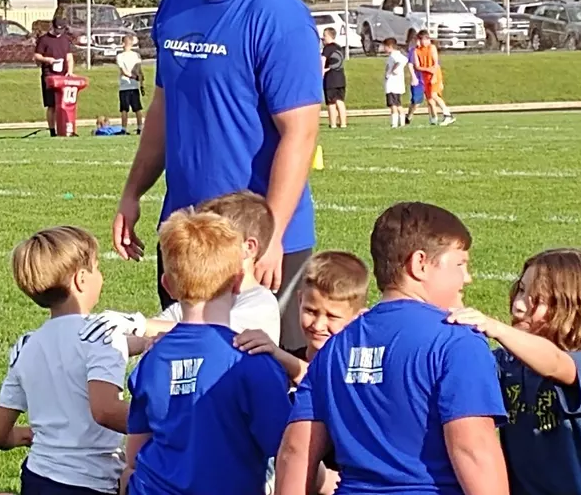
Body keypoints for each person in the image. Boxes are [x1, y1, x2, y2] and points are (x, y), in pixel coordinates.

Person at [112, 0, 322, 353]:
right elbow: (164, 109)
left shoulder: (278, 16)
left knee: (269, 381)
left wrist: (272, 235)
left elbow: (300, 134)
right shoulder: (174, 4)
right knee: (189, 371)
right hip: (187, 233)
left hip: (258, 243)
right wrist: (132, 193)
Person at [275, 202, 508, 495]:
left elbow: (295, 450)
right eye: (460, 264)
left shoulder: (335, 348)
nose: (467, 277)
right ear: (420, 263)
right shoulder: (456, 341)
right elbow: (474, 449)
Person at [124, 209, 291, 495]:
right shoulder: (250, 360)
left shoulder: (152, 357)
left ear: (168, 286)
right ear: (238, 281)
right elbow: (287, 449)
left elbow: (134, 453)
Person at [447, 249, 581, 495]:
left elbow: (553, 362)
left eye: (537, 299)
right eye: (521, 290)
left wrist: (496, 328)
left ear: (574, 308)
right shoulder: (505, 364)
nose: (519, 306)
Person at [0, 227, 128, 495]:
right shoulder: (104, 334)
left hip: (39, 477)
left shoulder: (27, 345)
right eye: (97, 268)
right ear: (81, 279)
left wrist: (23, 435)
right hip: (93, 482)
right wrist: (166, 423)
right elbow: (107, 411)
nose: (102, 276)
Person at [81, 190, 281, 349]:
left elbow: (214, 333)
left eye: (218, 238)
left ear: (249, 247)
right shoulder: (200, 298)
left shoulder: (260, 303)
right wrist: (103, 335)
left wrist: (136, 323)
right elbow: (159, 330)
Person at [234, 251, 369, 386]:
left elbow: (328, 386)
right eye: (311, 311)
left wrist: (279, 355)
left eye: (331, 316)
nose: (318, 325)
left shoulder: (361, 371)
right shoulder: (282, 362)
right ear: (300, 301)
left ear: (359, 318)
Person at [35, 17, 75, 137]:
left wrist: (70, 71)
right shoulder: (44, 40)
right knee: (51, 105)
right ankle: (52, 130)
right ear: (52, 27)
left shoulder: (65, 39)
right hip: (49, 76)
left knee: (64, 105)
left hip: (63, 76)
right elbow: (37, 56)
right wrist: (48, 60)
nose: (59, 32)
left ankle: (64, 129)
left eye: (61, 29)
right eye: (57, 29)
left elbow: (69, 57)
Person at [412, 31, 455, 126]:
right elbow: (417, 66)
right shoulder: (416, 51)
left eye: (424, 39)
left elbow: (435, 64)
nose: (423, 42)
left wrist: (434, 75)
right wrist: (427, 69)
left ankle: (448, 114)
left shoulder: (432, 48)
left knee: (434, 95)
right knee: (430, 99)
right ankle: (433, 118)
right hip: (426, 76)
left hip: (435, 74)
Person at [116, 35, 144, 135]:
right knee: (137, 108)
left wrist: (131, 76)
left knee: (124, 109)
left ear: (123, 43)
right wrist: (140, 81)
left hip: (124, 86)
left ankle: (124, 129)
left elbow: (123, 71)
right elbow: (139, 70)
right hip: (134, 85)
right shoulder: (136, 56)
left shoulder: (120, 56)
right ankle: (140, 127)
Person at [321, 28, 347, 130]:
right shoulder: (339, 48)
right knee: (340, 101)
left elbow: (323, 59)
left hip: (331, 78)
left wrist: (322, 71)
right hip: (340, 77)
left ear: (329, 36)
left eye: (324, 35)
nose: (323, 38)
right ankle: (343, 123)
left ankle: (333, 124)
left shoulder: (327, 48)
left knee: (331, 102)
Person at [382, 38, 408, 129]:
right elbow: (404, 60)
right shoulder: (398, 55)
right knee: (398, 104)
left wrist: (391, 71)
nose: (383, 49)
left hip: (392, 84)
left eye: (385, 47)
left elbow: (398, 62)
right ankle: (402, 122)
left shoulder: (394, 55)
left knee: (393, 104)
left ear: (389, 47)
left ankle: (394, 123)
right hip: (397, 84)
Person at [406, 38, 424, 125]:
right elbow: (410, 64)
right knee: (416, 101)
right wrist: (413, 77)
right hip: (418, 79)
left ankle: (434, 118)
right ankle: (409, 115)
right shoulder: (413, 51)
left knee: (433, 98)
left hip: (427, 79)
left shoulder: (429, 50)